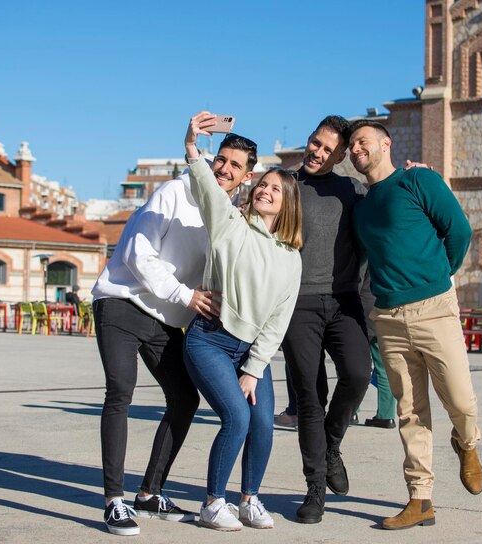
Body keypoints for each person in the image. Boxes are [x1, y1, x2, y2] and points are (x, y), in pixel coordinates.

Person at [91, 127, 257, 536]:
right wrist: (185, 295)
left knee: (184, 398)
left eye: (235, 165)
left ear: (247, 176)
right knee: (120, 391)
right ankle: (114, 500)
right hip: (121, 302)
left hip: (166, 319)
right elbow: (135, 253)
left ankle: (149, 492)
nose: (224, 168)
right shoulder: (173, 192)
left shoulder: (230, 217)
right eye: (220, 159)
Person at [349, 120, 482, 530]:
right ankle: (420, 498)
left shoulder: (418, 179)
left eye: (363, 141)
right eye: (352, 144)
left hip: (434, 307)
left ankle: (467, 443)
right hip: (388, 317)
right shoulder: (361, 206)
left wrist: (438, 276)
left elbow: (458, 230)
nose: (356, 148)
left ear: (386, 144)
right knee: (409, 411)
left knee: (460, 400)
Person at [183, 111, 302, 532]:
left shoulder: (292, 257)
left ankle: (249, 499)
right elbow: (206, 185)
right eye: (263, 185)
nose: (267, 191)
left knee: (263, 422)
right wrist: (193, 145)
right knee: (237, 417)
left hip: (252, 352)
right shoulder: (230, 223)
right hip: (210, 341)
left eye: (276, 189)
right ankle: (213, 503)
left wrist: (253, 369)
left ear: (288, 202)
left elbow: (277, 321)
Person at [281, 115, 372, 524]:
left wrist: (417, 180)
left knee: (358, 373)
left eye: (328, 149)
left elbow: (387, 216)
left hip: (344, 300)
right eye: (314, 143)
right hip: (297, 305)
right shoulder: (284, 186)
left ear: (341, 155)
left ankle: (332, 445)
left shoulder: (353, 190)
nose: (317, 152)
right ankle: (315, 489)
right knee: (310, 398)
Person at [351, 267, 396, 429]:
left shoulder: (365, 246)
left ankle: (351, 410)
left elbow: (357, 279)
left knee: (355, 365)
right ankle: (387, 415)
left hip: (363, 310)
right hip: (385, 309)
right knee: (384, 367)